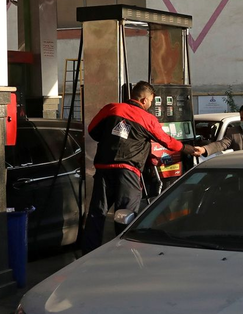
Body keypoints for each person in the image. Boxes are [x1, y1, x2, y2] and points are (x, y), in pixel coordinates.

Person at [81, 81, 204, 252]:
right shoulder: (147, 119)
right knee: (125, 215)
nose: (151, 105)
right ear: (144, 100)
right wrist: (189, 149)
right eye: (152, 102)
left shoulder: (111, 108)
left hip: (104, 167)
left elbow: (93, 130)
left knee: (97, 212)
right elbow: (167, 141)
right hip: (128, 171)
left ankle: (88, 252)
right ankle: (124, 253)